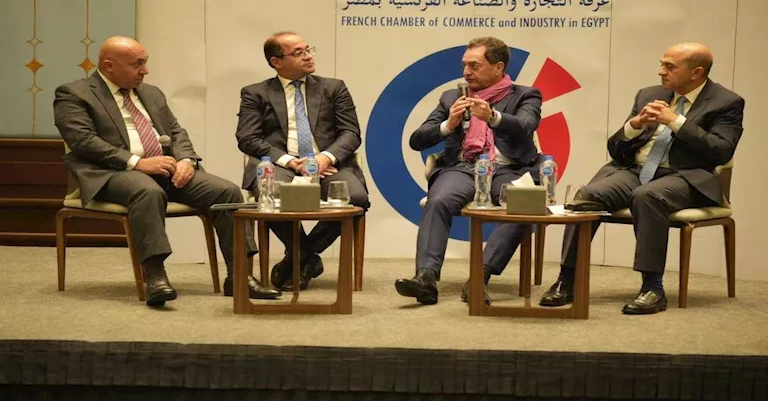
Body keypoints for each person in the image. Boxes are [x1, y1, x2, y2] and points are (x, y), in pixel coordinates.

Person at [54, 36, 280, 307]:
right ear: (108, 66)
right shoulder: (74, 94)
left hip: (165, 170)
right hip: (109, 173)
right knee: (147, 192)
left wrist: (186, 160)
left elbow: (175, 131)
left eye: (145, 62)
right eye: (137, 64)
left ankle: (240, 276)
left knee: (226, 191)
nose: (145, 70)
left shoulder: (151, 93)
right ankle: (155, 276)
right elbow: (83, 141)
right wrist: (136, 162)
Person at [539, 42, 744, 315]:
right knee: (587, 195)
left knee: (647, 196)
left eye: (670, 67)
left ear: (696, 72)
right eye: (661, 64)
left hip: (685, 177)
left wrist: (676, 122)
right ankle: (567, 280)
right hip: (636, 171)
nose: (661, 71)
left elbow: (721, 151)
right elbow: (615, 149)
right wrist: (634, 126)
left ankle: (653, 289)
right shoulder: (649, 94)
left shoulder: (726, 102)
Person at [394, 36, 543, 305]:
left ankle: (479, 277)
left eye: (474, 65)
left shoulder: (525, 95)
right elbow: (417, 140)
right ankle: (425, 278)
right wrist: (448, 124)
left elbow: (526, 126)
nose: (466, 72)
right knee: (438, 200)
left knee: (522, 206)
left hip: (506, 168)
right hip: (462, 168)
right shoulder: (452, 97)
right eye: (464, 65)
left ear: (498, 67)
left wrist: (493, 117)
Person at [236, 31, 369, 291]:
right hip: (280, 164)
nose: (308, 56)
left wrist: (323, 158)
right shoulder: (255, 93)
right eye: (298, 53)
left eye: (308, 50)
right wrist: (289, 161)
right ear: (276, 62)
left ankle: (297, 259)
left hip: (328, 164)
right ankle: (306, 259)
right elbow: (247, 138)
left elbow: (351, 133)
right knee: (271, 195)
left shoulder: (334, 88)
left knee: (356, 198)